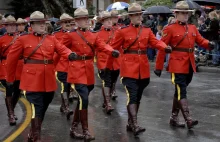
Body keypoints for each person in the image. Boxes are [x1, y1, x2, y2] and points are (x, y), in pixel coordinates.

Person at [6, 11, 76, 141]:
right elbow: (11, 60)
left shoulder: (51, 38)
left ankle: (32, 133)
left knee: (42, 108)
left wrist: (69, 54)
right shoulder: (23, 39)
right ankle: (36, 138)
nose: (43, 25)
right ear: (32, 25)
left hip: (48, 80)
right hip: (31, 81)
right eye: (39, 23)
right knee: (36, 108)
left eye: (44, 23)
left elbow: (62, 49)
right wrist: (10, 79)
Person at [107, 3, 172, 136]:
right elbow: (112, 47)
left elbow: (155, 42)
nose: (138, 17)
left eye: (139, 14)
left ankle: (130, 123)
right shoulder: (122, 31)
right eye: (135, 15)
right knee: (133, 95)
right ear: (130, 16)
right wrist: (108, 64)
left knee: (138, 97)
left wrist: (164, 47)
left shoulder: (147, 30)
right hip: (128, 68)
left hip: (143, 68)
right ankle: (135, 124)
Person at [154, 1, 215, 129]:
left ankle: (173, 118)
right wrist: (159, 66)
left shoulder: (192, 28)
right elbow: (162, 48)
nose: (185, 15)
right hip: (176, 64)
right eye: (183, 13)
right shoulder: (169, 29)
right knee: (182, 90)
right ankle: (188, 119)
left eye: (187, 13)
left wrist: (208, 44)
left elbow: (200, 40)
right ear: (176, 14)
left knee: (179, 91)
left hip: (189, 64)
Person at [61, 7, 119, 141]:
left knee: (82, 100)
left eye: (87, 18)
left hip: (88, 70)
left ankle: (74, 128)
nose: (86, 21)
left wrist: (112, 51)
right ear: (76, 21)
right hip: (76, 71)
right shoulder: (70, 35)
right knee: (84, 99)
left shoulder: (92, 35)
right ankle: (85, 130)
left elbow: (102, 45)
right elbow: (61, 49)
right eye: (82, 19)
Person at [53, 13, 74, 120]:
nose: (67, 24)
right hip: (61, 65)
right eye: (65, 22)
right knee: (64, 85)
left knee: (69, 86)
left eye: (69, 22)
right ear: (61, 24)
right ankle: (66, 107)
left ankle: (63, 105)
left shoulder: (76, 34)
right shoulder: (55, 35)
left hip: (73, 66)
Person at [0, 15, 19, 126]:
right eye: (9, 26)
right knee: (9, 89)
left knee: (17, 91)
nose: (12, 27)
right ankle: (11, 114)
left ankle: (12, 109)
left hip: (18, 67)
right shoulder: (2, 39)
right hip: (5, 67)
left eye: (13, 25)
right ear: (6, 27)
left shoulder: (20, 38)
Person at [96, 11, 115, 114]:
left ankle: (106, 100)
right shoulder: (98, 34)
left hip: (115, 62)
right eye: (106, 20)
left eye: (110, 20)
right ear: (102, 22)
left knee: (112, 81)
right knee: (106, 81)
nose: (109, 22)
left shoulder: (116, 32)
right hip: (103, 61)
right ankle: (108, 103)